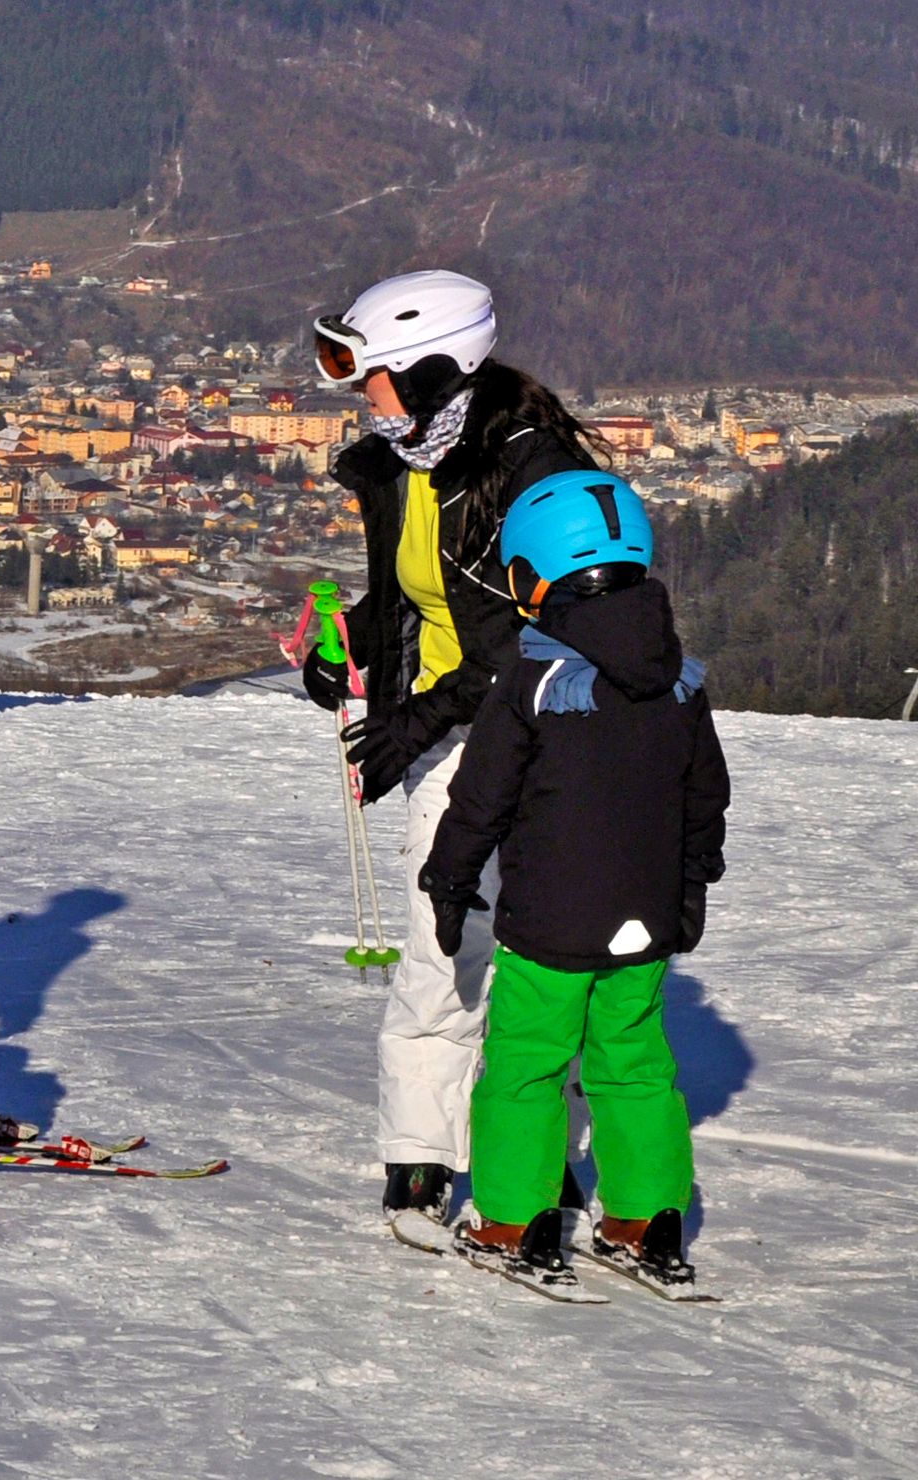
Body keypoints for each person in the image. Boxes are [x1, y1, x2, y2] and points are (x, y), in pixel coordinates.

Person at [301, 269, 597, 1226]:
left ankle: (529, 1144)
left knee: (540, 948)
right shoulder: (398, 465)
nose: (358, 394)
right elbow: (404, 600)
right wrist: (341, 649)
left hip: (549, 734)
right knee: (444, 940)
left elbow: (527, 641)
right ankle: (423, 1152)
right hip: (447, 737)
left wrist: (411, 720)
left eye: (369, 374)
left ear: (433, 372)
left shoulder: (528, 466)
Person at [418, 469, 729, 1290]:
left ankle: (514, 1220)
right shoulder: (680, 681)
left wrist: (448, 883)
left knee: (525, 1063)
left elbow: (478, 799)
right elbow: (706, 797)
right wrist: (690, 885)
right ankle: (645, 1216)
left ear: (535, 577)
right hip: (645, 923)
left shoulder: (532, 682)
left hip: (551, 922)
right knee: (634, 1062)